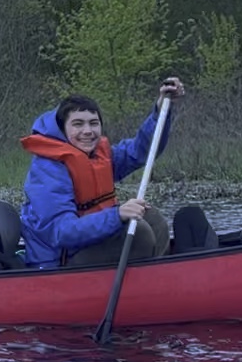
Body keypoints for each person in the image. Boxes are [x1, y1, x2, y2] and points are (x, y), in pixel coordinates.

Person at [17, 77, 186, 270]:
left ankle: (156, 278)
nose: (88, 131)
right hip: (60, 262)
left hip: (90, 245)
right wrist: (117, 215)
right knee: (139, 233)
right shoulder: (47, 170)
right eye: (78, 124)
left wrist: (161, 109)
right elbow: (61, 232)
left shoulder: (97, 156)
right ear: (62, 129)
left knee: (151, 218)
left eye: (93, 123)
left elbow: (141, 150)